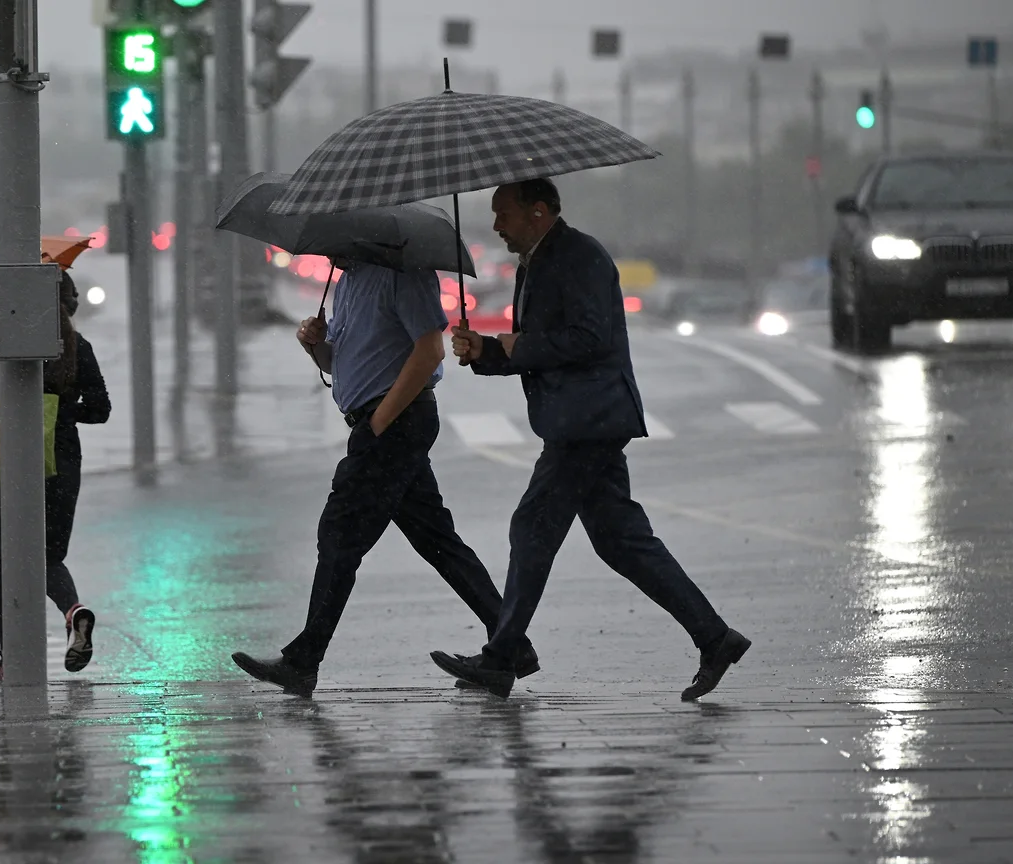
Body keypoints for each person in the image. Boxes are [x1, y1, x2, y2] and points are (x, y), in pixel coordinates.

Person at [430, 179, 750, 700]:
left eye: (502, 213)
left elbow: (588, 338)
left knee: (532, 526)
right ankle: (715, 638)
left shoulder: (579, 256)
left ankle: (502, 656)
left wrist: (510, 344)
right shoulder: (538, 259)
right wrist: (487, 351)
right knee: (621, 540)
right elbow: (538, 346)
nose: (495, 225)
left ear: (538, 212)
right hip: (583, 418)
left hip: (588, 419)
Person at [231, 259, 538, 698]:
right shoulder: (349, 280)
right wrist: (314, 345)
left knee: (339, 536)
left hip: (394, 424)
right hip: (380, 424)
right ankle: (513, 648)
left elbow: (429, 350)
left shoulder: (403, 272)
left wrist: (380, 421)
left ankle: (303, 660)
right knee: (439, 542)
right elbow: (345, 364)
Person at [0, 272, 111, 682]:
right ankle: (72, 610)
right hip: (63, 459)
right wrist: (60, 411)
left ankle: (9, 657)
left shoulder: (12, 350)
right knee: (49, 555)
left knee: (7, 558)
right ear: (70, 304)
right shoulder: (78, 347)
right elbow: (101, 408)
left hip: (12, 459)